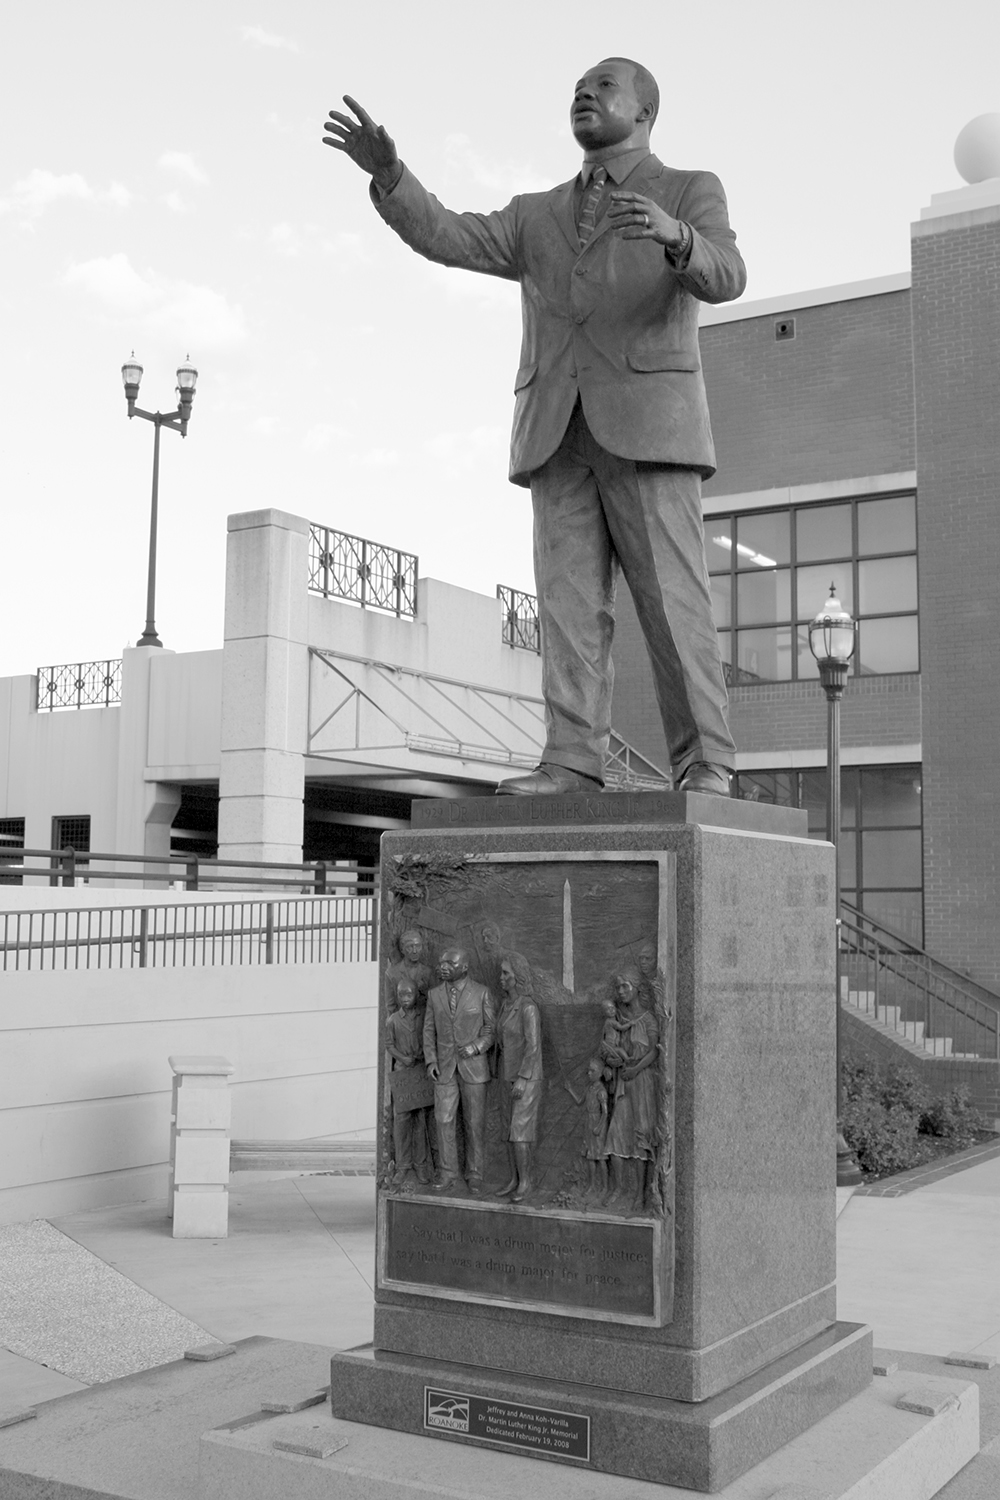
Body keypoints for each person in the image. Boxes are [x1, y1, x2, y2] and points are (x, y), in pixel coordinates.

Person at [322, 58, 744, 799]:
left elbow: (727, 276)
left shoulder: (688, 190)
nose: (585, 93)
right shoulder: (536, 213)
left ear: (645, 111)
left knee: (673, 604)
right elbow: (449, 235)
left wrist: (679, 238)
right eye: (578, 86)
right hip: (556, 432)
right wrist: (392, 177)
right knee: (569, 610)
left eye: (604, 85)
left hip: (649, 427)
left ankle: (706, 763)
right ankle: (573, 761)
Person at [422, 947, 496, 1194]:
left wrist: (476, 1047)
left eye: (450, 964)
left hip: (474, 1068)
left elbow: (490, 1030)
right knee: (443, 1119)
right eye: (441, 962)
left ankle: (475, 1173)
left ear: (464, 967)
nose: (443, 967)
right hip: (444, 1068)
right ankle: (447, 1172)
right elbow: (428, 1031)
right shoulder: (434, 996)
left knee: (474, 1123)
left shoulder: (482, 993)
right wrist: (431, 1061)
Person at [604, 966, 660, 1211]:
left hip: (641, 1081)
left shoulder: (648, 1020)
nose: (621, 991)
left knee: (640, 1134)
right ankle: (618, 1188)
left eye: (625, 986)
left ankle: (639, 1193)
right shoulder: (619, 1021)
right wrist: (612, 1062)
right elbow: (611, 1046)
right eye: (618, 987)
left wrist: (635, 1070)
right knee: (617, 1131)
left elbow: (654, 1051)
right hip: (623, 1082)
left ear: (637, 988)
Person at [496, 952, 544, 1202]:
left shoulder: (528, 1008)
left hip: (526, 1078)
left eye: (506, 973)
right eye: (502, 972)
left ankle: (526, 1181)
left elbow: (533, 1047)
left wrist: (524, 1079)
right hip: (507, 1074)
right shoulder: (505, 1006)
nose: (501, 977)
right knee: (507, 1131)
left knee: (520, 1132)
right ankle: (514, 1178)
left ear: (518, 977)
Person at [384, 977, 431, 1186]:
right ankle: (403, 1166)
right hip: (402, 1073)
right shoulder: (392, 1020)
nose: (405, 999)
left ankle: (421, 1165)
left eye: (409, 994)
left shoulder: (424, 1017)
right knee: (401, 1122)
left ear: (416, 995)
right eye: (401, 995)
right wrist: (403, 1058)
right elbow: (389, 1045)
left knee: (420, 1121)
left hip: (419, 1073)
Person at [581, 1056, 610, 1202]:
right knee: (590, 1156)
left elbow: (605, 1112)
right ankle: (591, 1185)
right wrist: (569, 1089)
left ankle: (605, 1187)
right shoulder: (589, 1088)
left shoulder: (601, 1091)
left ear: (599, 1073)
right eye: (588, 1071)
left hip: (597, 1123)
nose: (589, 1073)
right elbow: (580, 1101)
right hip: (589, 1123)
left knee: (600, 1157)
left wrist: (599, 1127)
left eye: (592, 1071)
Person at [384, 928, 434, 1010]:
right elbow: (390, 1006)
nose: (415, 951)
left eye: (418, 946)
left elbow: (432, 1004)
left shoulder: (428, 973)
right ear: (402, 949)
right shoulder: (392, 973)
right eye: (410, 947)